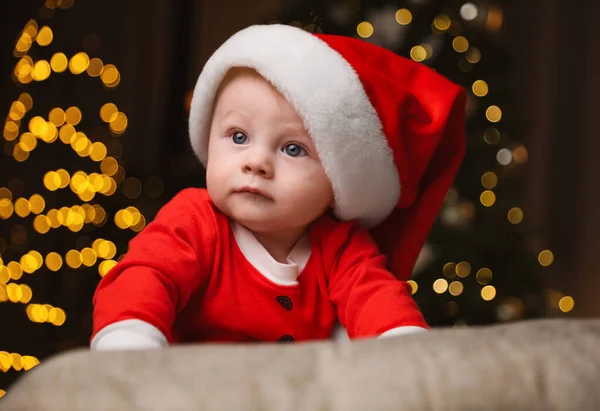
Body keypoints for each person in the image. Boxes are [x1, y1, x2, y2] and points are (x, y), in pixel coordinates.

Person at [91, 24, 466, 350]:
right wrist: (130, 345)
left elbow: (380, 304)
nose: (256, 162)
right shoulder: (193, 220)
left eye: (292, 149)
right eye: (238, 136)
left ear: (338, 181)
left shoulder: (341, 248)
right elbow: (144, 277)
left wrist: (403, 350)